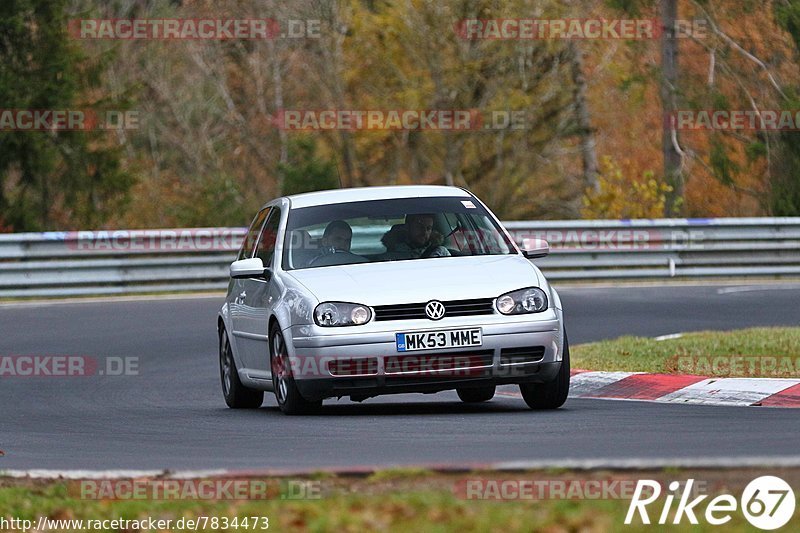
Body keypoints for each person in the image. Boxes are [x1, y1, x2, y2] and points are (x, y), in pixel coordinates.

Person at [381, 213, 451, 259]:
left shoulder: (441, 253)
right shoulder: (391, 257)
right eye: (419, 227)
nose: (424, 232)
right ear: (407, 227)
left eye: (428, 228)